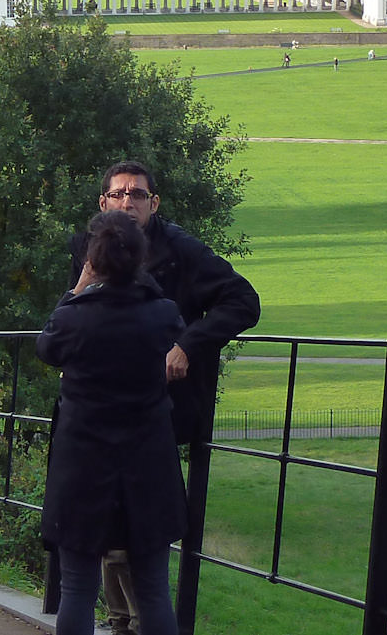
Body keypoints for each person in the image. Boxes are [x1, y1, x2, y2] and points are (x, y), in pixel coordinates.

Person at [64, 160, 262, 634]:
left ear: (154, 203)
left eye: (137, 195)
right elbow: (72, 327)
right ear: (103, 202)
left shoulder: (183, 251)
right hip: (98, 414)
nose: (127, 203)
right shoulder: (85, 248)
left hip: (160, 410)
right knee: (112, 534)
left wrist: (187, 344)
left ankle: (130, 621)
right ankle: (123, 621)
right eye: (118, 195)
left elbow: (243, 302)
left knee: (137, 534)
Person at [40, 211, 186, 635]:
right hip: (148, 462)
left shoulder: (73, 318)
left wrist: (77, 289)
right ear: (140, 258)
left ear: (93, 259)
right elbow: (169, 321)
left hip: (82, 463)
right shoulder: (162, 315)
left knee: (78, 588)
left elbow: (47, 347)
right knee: (154, 588)